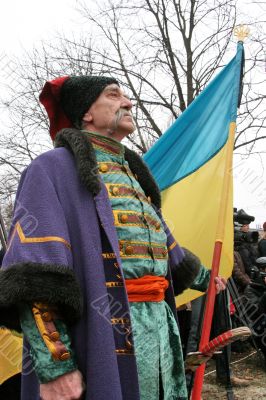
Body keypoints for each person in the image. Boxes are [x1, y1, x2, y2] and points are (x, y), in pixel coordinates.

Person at [0, 76, 226, 400]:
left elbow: (167, 252)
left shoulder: (135, 178)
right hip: (102, 333)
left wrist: (208, 277)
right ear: (87, 113)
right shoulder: (51, 169)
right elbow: (35, 280)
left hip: (162, 333)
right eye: (113, 95)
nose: (128, 103)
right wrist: (57, 365)